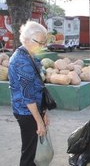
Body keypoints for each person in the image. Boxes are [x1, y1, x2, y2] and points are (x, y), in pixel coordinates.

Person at [8, 21, 49, 166]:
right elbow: (28, 97)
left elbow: (39, 86)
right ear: (26, 39)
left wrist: (44, 112)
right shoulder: (21, 61)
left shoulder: (31, 56)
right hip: (26, 111)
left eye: (44, 42)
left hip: (34, 109)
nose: (43, 46)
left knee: (32, 148)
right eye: (40, 42)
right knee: (29, 151)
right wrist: (39, 122)